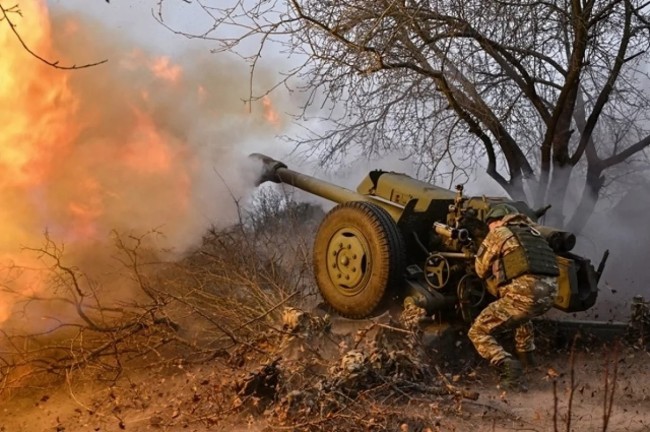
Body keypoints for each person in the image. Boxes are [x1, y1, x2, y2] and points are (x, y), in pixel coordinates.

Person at [468, 203, 559, 391]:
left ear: (498, 220)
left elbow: (480, 268)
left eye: (490, 225)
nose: (489, 229)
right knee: (521, 318)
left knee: (477, 331)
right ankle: (529, 364)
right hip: (549, 296)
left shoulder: (499, 233)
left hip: (525, 294)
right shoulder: (533, 233)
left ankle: (508, 367)